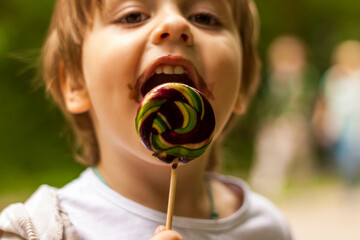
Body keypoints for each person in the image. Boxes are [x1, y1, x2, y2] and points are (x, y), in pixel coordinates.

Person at [0, 0, 293, 239]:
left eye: (205, 17)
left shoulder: (267, 228)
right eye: (133, 15)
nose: (176, 25)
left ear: (242, 85)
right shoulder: (40, 230)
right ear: (76, 81)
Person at [249, 35, 318, 198]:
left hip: (292, 120)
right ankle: (265, 183)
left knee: (292, 153)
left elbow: (306, 99)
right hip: (273, 121)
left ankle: (296, 184)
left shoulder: (303, 76)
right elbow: (269, 100)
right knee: (270, 150)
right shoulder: (273, 75)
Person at [312, 40, 360, 185]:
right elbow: (323, 99)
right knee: (343, 153)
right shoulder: (332, 75)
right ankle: (349, 181)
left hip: (356, 120)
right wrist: (318, 119)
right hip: (338, 121)